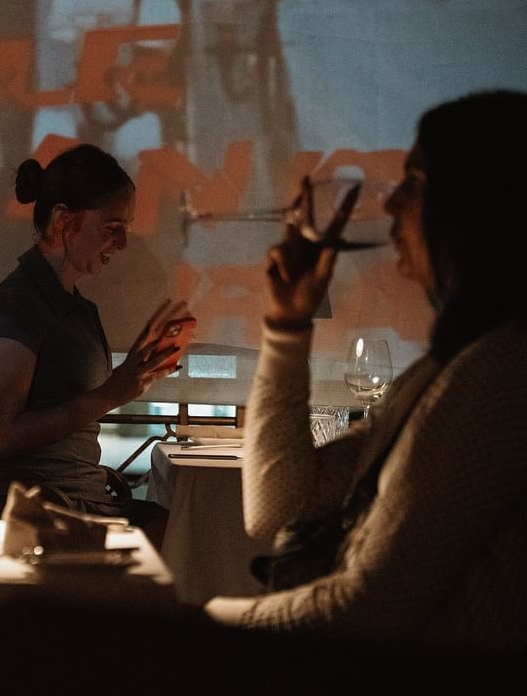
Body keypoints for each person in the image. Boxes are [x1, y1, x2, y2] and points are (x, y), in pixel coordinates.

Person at [205, 90, 527, 650]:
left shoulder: (503, 369)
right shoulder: (445, 369)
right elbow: (278, 505)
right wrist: (286, 328)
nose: (393, 203)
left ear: (476, 208)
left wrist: (202, 620)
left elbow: (370, 606)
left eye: (415, 183)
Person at [0, 145, 188, 525]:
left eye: (126, 229)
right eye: (111, 228)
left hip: (85, 500)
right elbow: (1, 436)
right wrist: (113, 392)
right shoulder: (17, 305)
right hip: (48, 512)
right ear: (63, 220)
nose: (122, 244)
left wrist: (131, 376)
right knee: (192, 535)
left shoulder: (75, 307)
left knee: (196, 527)